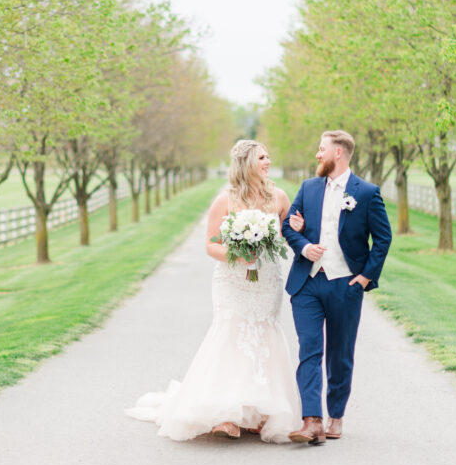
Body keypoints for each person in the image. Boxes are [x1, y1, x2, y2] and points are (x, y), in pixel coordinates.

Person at [125, 139, 301, 443]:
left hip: (267, 281)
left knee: (264, 335)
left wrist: (296, 229)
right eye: (262, 157)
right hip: (232, 281)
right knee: (231, 334)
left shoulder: (280, 197)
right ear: (246, 163)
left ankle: (259, 413)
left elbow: (286, 238)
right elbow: (211, 244)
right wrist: (239, 255)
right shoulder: (226, 201)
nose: (268, 161)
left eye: (269, 156)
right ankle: (226, 414)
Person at [282, 130, 392, 445]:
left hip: (346, 284)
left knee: (340, 355)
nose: (317, 155)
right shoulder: (308, 188)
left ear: (338, 153)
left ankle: (335, 417)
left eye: (322, 149)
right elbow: (289, 225)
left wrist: (365, 277)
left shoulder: (367, 193)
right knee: (309, 351)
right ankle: (311, 420)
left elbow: (383, 238)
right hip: (307, 283)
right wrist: (303, 246)